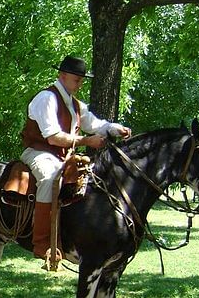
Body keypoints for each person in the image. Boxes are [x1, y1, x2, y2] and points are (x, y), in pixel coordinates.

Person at [20, 55, 131, 259]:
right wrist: (86, 142)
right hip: (40, 152)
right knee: (50, 178)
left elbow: (95, 124)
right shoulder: (47, 98)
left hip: (62, 157)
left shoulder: (75, 104)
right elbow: (53, 137)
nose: (80, 84)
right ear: (62, 75)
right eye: (76, 79)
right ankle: (42, 242)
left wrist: (114, 129)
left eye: (81, 80)